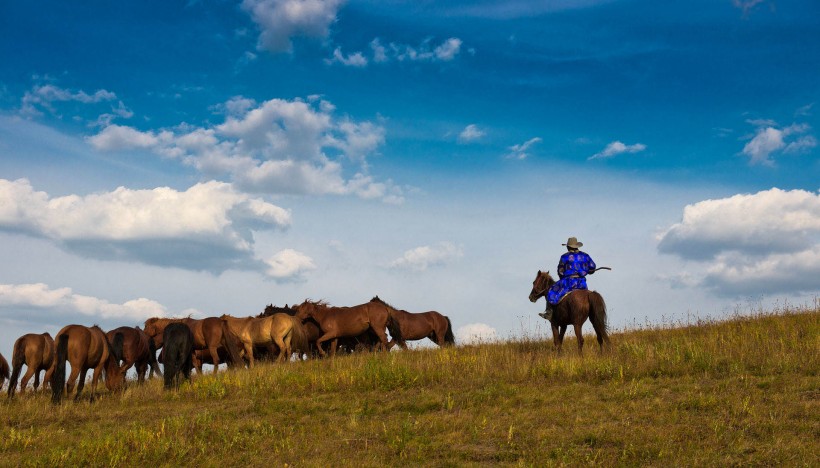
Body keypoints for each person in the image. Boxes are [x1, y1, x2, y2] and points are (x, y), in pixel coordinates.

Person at [539, 237, 596, 321]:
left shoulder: (565, 257)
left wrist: (563, 277)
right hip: (582, 283)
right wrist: (587, 271)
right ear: (576, 246)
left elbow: (560, 271)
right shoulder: (585, 255)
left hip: (568, 282)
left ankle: (549, 312)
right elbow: (593, 267)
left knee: (551, 291)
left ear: (568, 247)